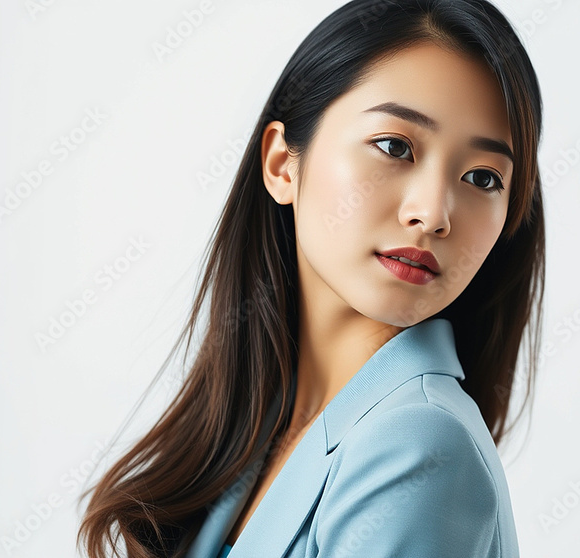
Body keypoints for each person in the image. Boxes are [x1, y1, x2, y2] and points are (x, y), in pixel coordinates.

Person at [78, 0, 545, 556]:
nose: (433, 212)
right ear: (282, 163)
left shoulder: (419, 445)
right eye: (395, 146)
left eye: (483, 177)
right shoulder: (261, 428)